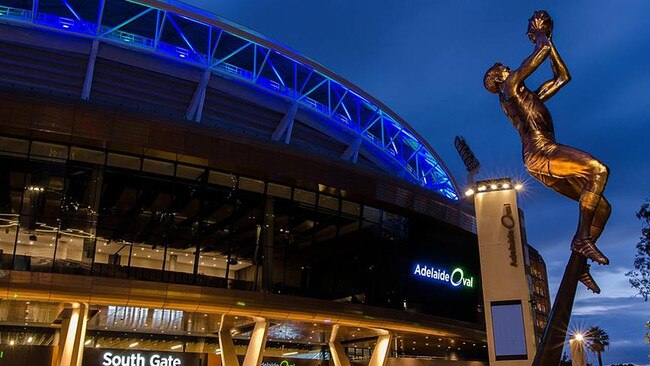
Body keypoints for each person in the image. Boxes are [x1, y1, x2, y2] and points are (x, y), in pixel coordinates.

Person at [483, 11, 611, 293]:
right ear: (497, 80)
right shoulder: (509, 90)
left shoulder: (528, 97)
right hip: (540, 151)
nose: (508, 67)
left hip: (543, 155)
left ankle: (580, 263)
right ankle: (581, 240)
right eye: (502, 68)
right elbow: (540, 51)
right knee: (598, 170)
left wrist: (548, 42)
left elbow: (563, 76)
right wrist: (540, 34)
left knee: (602, 208)